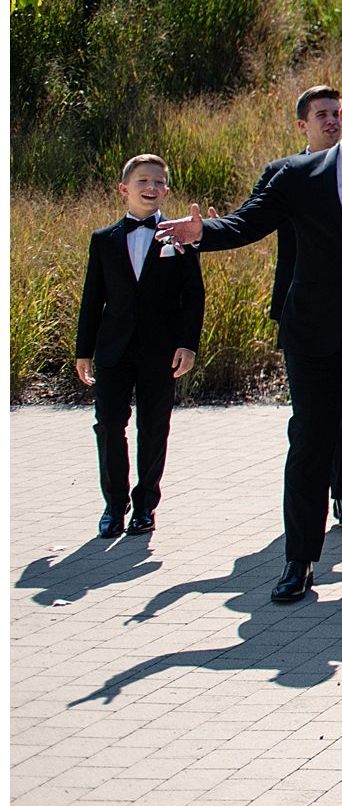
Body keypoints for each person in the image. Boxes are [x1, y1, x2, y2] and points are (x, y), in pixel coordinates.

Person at [161, 82, 342, 605]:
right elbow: (248, 222)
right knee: (310, 442)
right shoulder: (298, 175)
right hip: (313, 331)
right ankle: (299, 558)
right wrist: (202, 233)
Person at [256, 85, 342, 536]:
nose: (331, 121)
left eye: (335, 113)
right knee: (308, 413)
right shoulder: (283, 173)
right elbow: (251, 219)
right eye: (320, 115)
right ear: (302, 125)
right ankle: (308, 500)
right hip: (301, 307)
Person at [76, 154, 202, 539]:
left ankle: (145, 504)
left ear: (167, 189)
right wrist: (84, 351)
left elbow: (192, 295)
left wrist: (187, 344)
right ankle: (114, 506)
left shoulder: (178, 235)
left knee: (154, 427)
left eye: (159, 182)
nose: (151, 188)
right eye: (143, 181)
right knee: (109, 426)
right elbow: (92, 297)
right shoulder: (103, 240)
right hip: (113, 349)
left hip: (160, 350)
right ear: (124, 189)